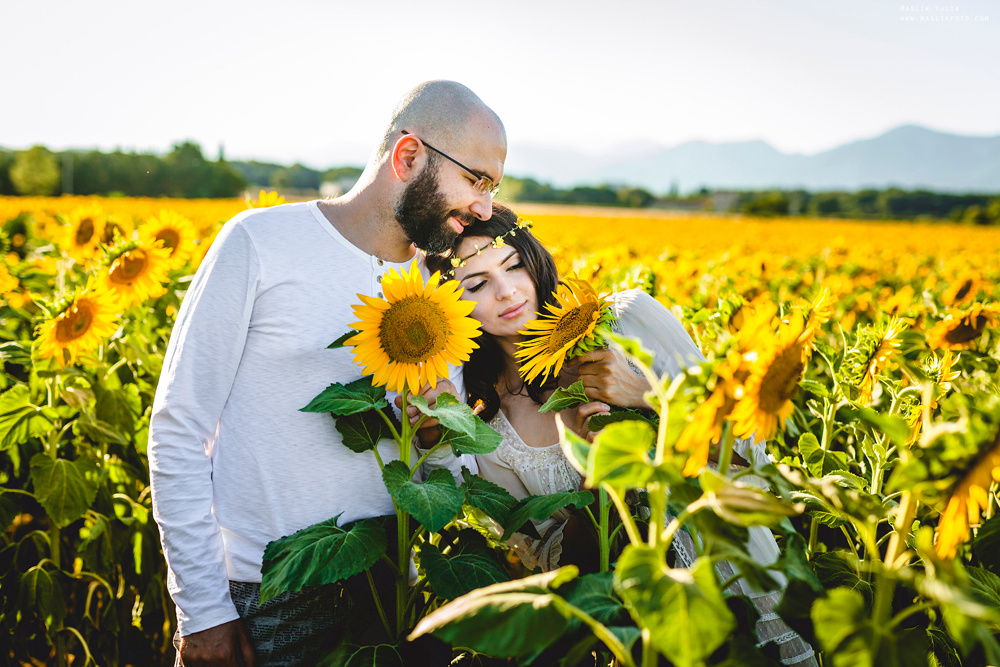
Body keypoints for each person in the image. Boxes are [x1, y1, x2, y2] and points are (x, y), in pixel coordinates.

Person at [148, 80, 506, 667]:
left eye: (493, 188)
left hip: (396, 599)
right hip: (269, 597)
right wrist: (203, 610)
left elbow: (442, 474)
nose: (485, 207)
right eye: (476, 180)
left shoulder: (440, 297)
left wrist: (439, 431)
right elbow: (178, 429)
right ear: (409, 156)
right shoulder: (260, 244)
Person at [428, 203, 819, 666]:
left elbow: (747, 454)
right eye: (477, 284)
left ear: (533, 259)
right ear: (449, 308)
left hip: (741, 576)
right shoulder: (488, 433)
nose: (508, 291)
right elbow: (568, 575)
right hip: (636, 636)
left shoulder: (628, 320)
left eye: (513, 265)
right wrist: (592, 472)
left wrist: (650, 397)